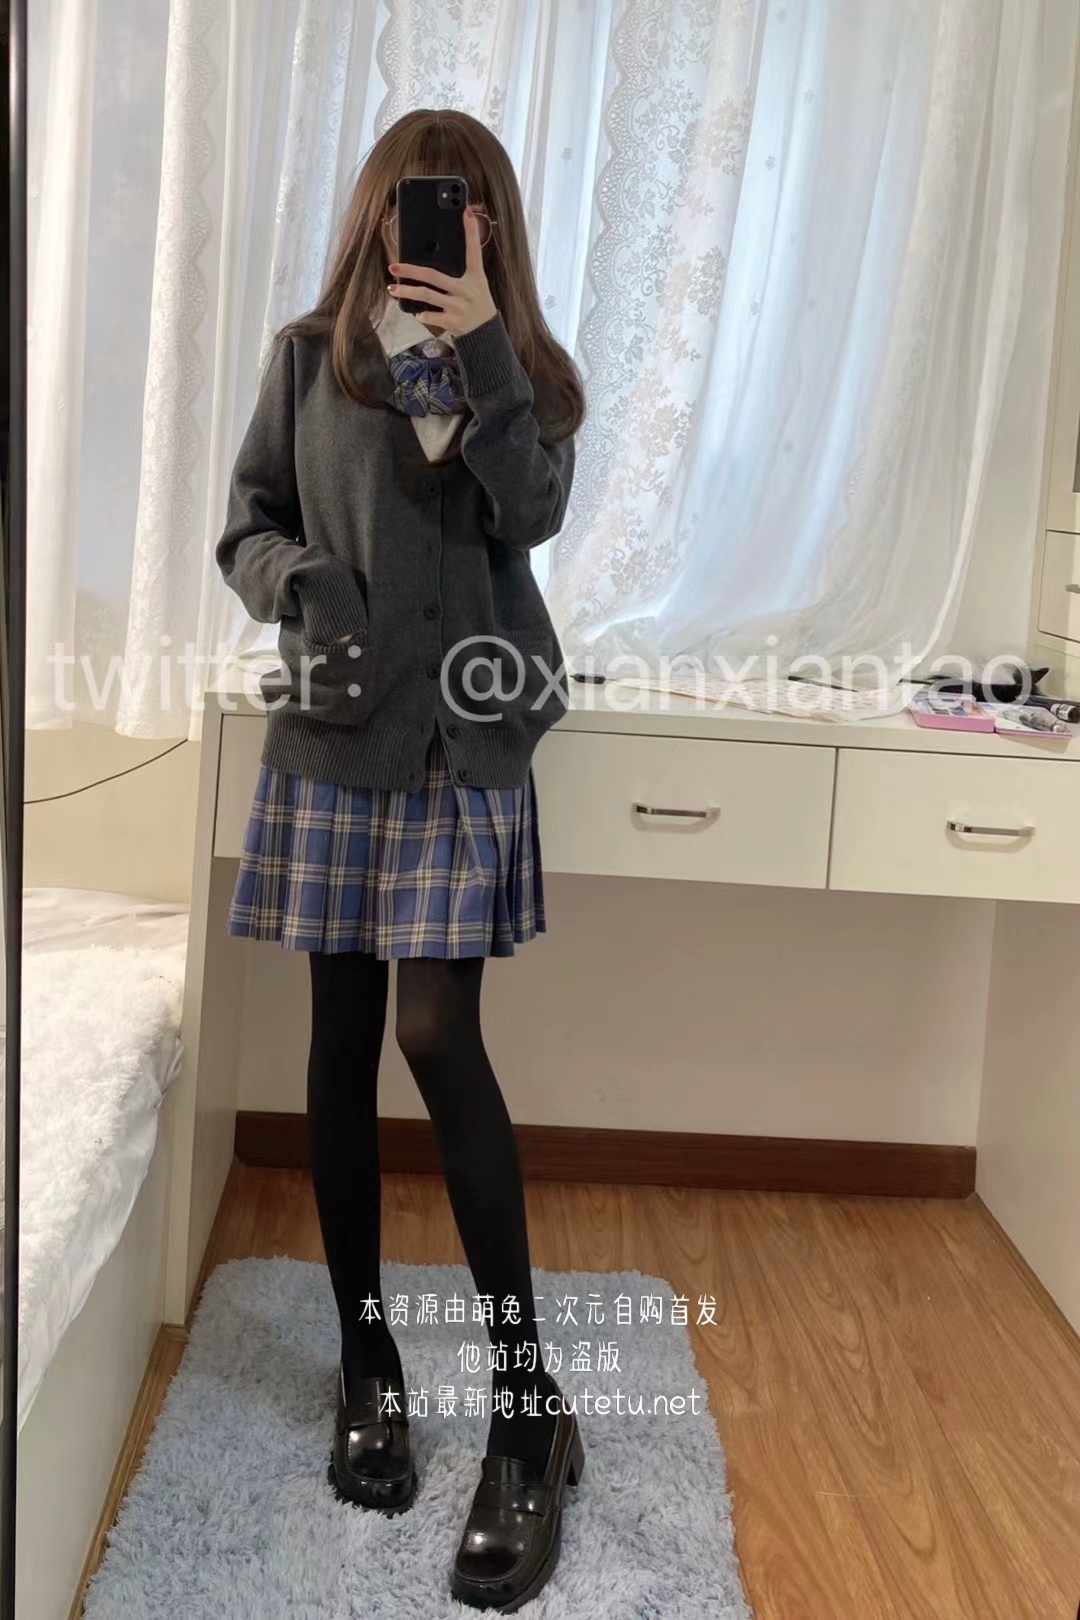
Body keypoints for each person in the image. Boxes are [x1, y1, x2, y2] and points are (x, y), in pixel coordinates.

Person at [214, 107, 587, 1613]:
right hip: (340, 731)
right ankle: (366, 1359)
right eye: (414, 206)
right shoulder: (312, 359)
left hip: (464, 737)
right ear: (375, 212)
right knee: (338, 1038)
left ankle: (526, 1410)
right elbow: (245, 527)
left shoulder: (530, 378)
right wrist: (303, 580)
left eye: (463, 210)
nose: (432, 231)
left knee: (436, 1031)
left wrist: (481, 343)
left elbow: (530, 512)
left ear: (490, 228)